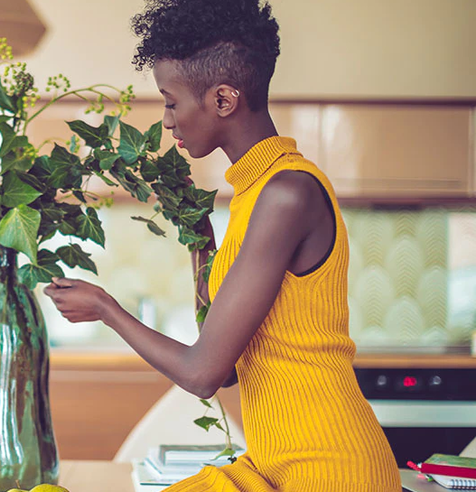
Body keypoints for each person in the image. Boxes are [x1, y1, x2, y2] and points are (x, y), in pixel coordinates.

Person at [43, 0, 401, 490]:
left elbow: (203, 374)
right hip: (274, 465)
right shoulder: (254, 194)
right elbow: (231, 369)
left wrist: (106, 308)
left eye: (171, 102)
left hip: (327, 468)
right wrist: (201, 245)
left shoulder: (285, 194)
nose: (167, 121)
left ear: (224, 100)